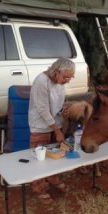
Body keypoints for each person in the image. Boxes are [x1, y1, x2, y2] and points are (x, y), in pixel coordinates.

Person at [28, 57, 75, 203]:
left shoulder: (59, 82)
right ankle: (39, 188)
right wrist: (57, 131)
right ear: (56, 72)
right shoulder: (41, 82)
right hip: (41, 126)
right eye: (65, 77)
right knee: (40, 158)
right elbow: (43, 109)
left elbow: (59, 102)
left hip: (56, 124)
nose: (67, 81)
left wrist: (64, 110)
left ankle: (53, 179)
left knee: (55, 155)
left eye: (70, 78)